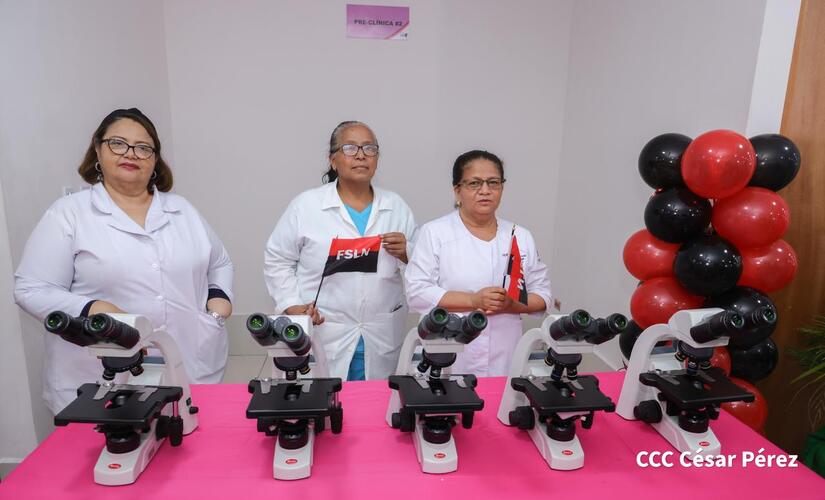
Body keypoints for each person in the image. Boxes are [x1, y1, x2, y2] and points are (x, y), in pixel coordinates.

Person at [14, 108, 233, 413]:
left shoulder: (182, 210)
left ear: (155, 160)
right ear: (97, 150)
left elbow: (219, 262)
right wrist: (92, 308)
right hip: (99, 374)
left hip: (186, 359)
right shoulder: (69, 214)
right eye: (117, 143)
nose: (131, 154)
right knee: (108, 440)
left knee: (185, 433)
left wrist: (218, 302)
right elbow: (31, 289)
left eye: (143, 148)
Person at [264, 121, 416, 381]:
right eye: (350, 148)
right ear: (333, 160)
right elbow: (278, 260)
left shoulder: (396, 206)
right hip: (325, 329)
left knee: (374, 400)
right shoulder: (306, 206)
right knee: (324, 397)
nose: (361, 155)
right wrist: (291, 304)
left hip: (380, 331)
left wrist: (407, 252)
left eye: (369, 148)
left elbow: (423, 263)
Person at [404, 150, 551, 376]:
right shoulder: (435, 232)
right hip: (449, 352)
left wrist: (511, 305)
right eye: (474, 183)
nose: (485, 190)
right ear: (457, 190)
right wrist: (473, 301)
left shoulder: (520, 236)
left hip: (505, 354)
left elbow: (542, 296)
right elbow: (416, 292)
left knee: (502, 396)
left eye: (493, 183)